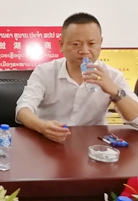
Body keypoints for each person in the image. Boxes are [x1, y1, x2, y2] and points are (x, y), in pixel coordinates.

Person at [16, 13, 138, 142]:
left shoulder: (112, 75)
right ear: (62, 45)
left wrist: (116, 92)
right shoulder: (45, 72)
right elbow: (23, 109)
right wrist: (42, 126)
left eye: (92, 43)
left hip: (92, 143)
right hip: (49, 140)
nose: (84, 50)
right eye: (76, 44)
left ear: (100, 43)